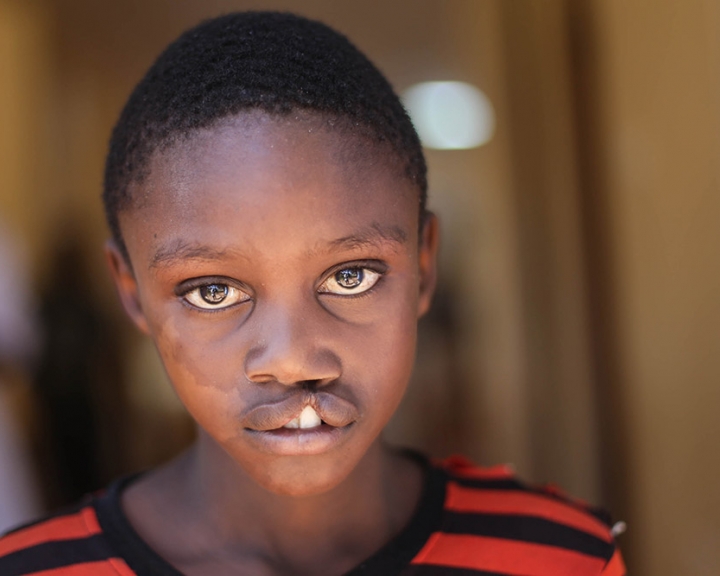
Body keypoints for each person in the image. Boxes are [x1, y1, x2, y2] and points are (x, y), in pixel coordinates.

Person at [0, 12, 625, 575]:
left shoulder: (563, 559)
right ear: (131, 294)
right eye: (213, 291)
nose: (294, 358)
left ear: (425, 267)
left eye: (350, 277)